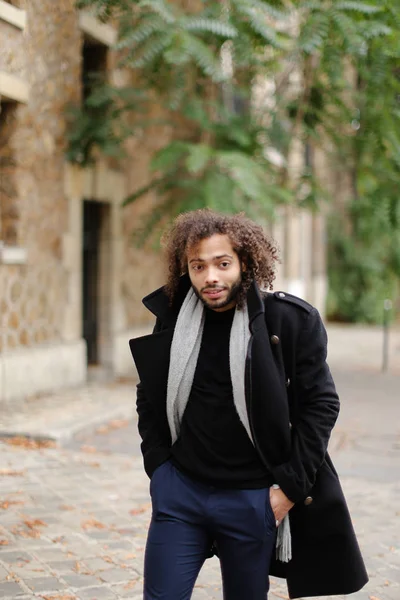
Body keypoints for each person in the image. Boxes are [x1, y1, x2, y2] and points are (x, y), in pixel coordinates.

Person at [129, 209, 368, 600]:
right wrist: (159, 469)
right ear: (185, 270)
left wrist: (286, 492)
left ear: (245, 262)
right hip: (181, 494)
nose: (211, 277)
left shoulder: (287, 322)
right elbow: (149, 394)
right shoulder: (173, 320)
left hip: (252, 499)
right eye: (198, 266)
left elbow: (321, 405)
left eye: (223, 264)